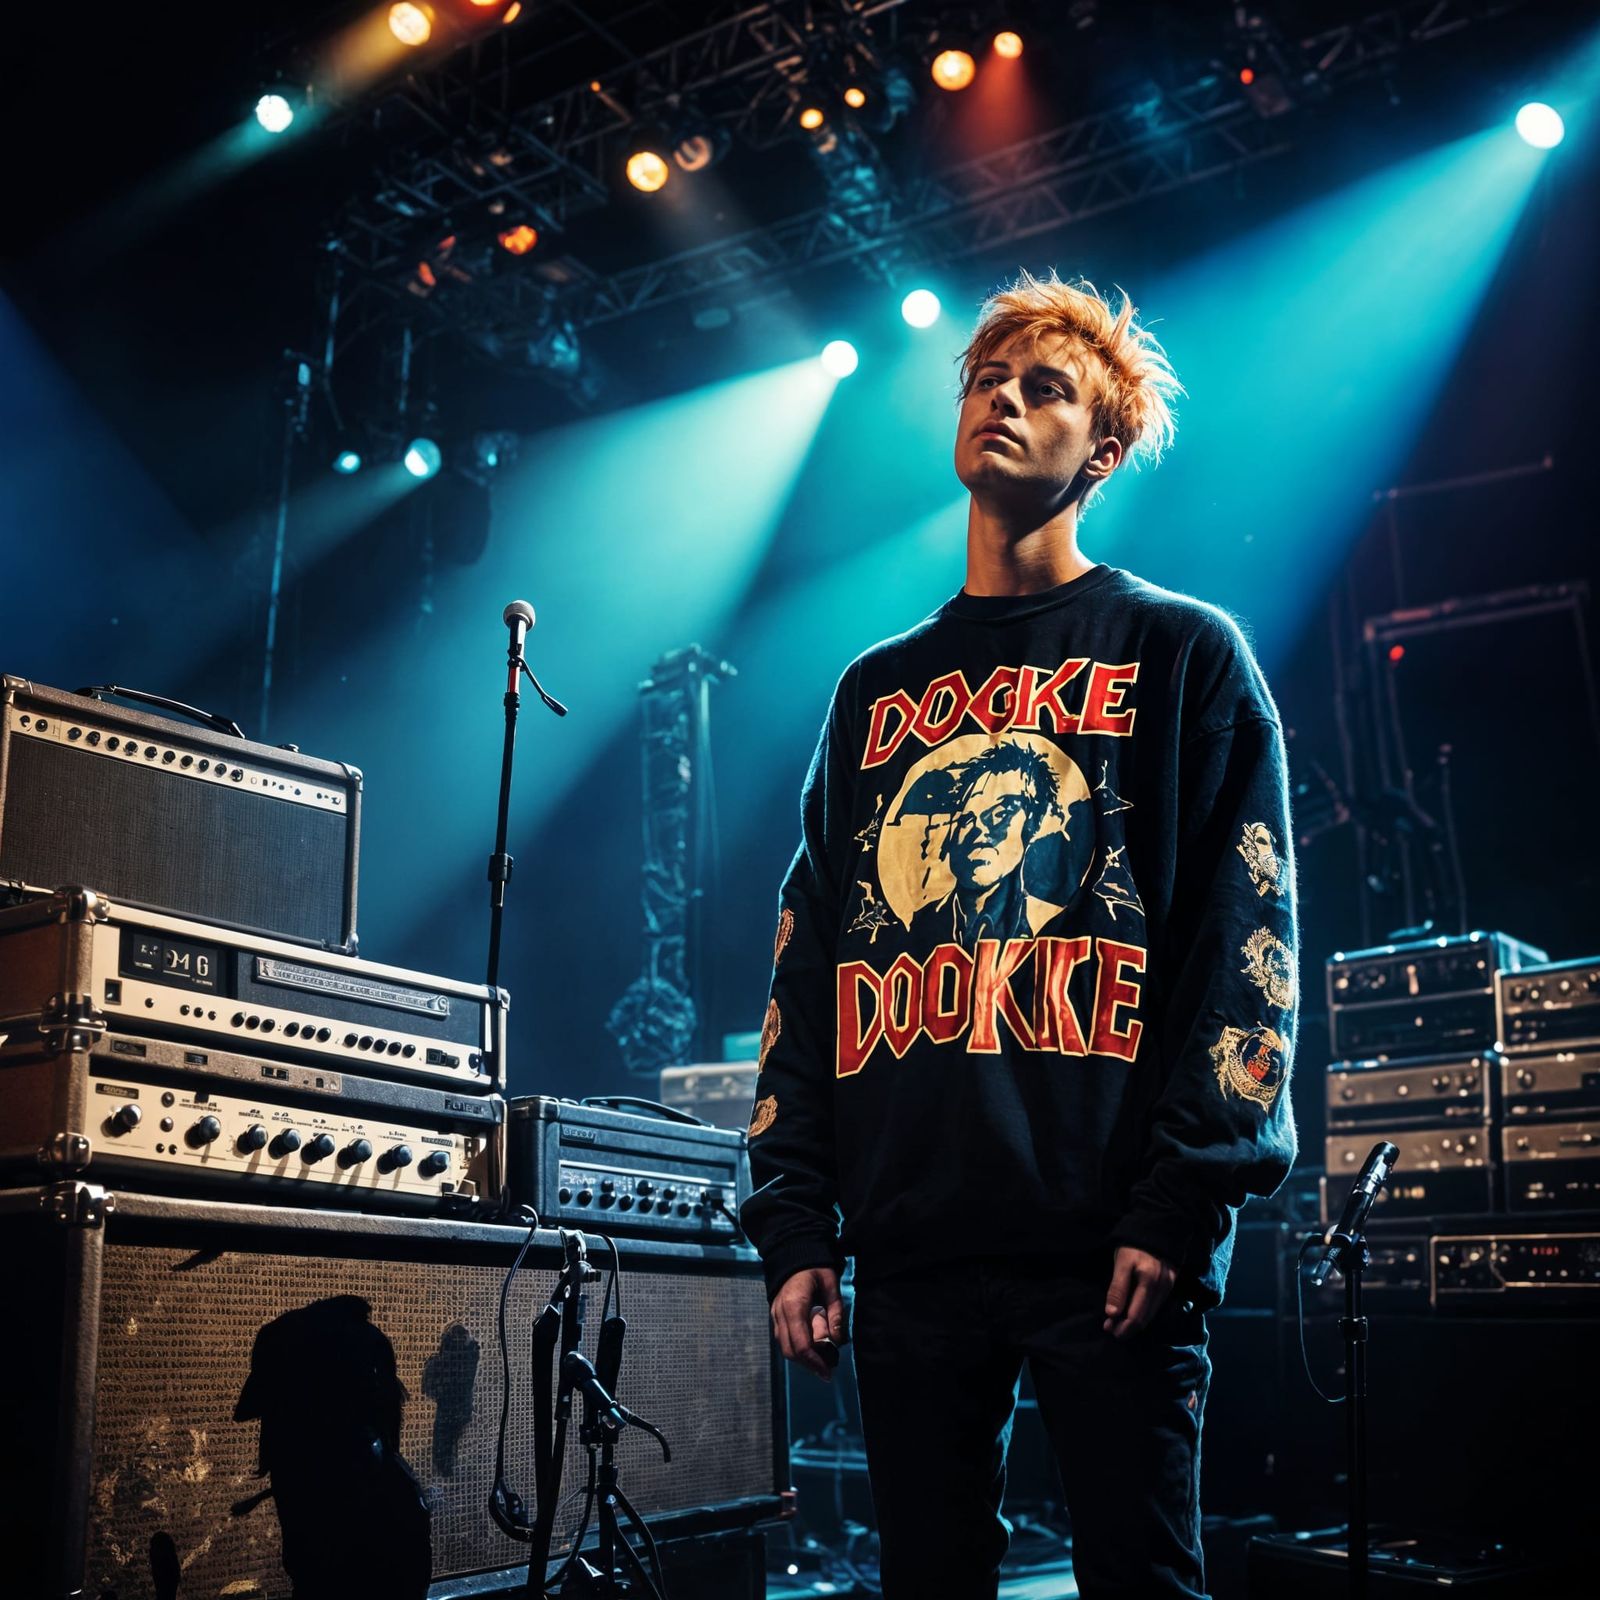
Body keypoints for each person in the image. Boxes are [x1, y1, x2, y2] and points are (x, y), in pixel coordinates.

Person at [740, 270, 1299, 1599]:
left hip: (1113, 1235)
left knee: (1142, 1578)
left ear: (1102, 450)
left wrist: (1179, 1204)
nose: (1002, 397)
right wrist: (798, 1227)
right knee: (928, 1582)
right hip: (916, 1239)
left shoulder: (1182, 655)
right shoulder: (875, 689)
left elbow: (1247, 947)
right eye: (989, 379)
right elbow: (811, 956)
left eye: (1045, 388)